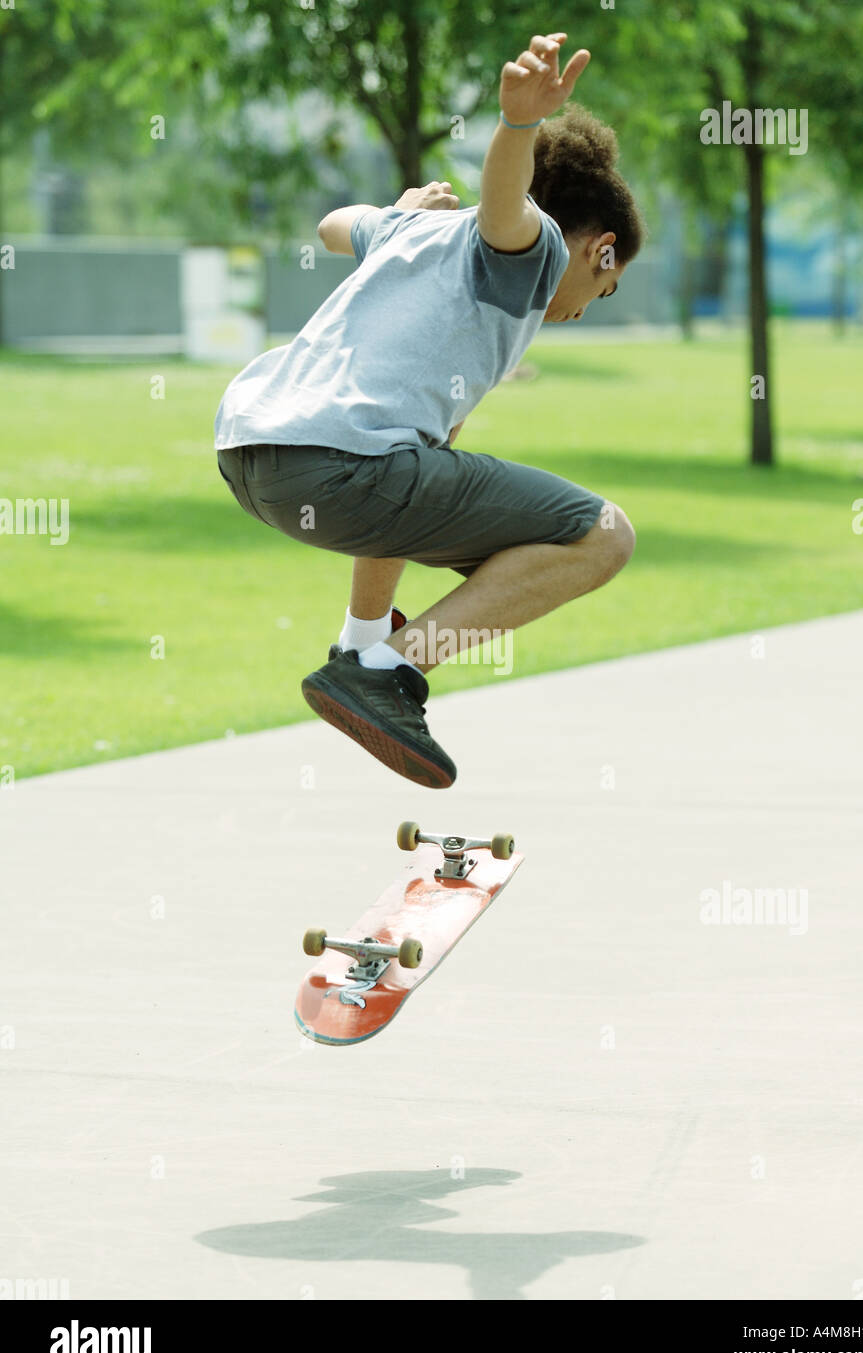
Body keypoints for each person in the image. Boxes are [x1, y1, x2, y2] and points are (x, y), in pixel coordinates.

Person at [215, 32, 644, 788]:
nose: (581, 310)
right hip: (338, 468)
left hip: (254, 456)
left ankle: (363, 646)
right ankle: (388, 672)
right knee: (604, 538)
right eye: (603, 289)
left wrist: (397, 211)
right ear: (599, 250)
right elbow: (507, 208)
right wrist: (515, 125)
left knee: (421, 456)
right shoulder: (536, 249)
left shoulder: (415, 230)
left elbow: (332, 225)